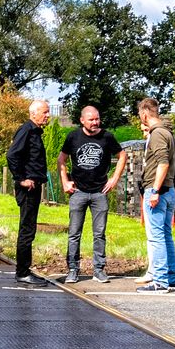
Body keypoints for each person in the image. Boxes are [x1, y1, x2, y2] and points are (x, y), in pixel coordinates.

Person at [58, 104, 126, 284]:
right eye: (91, 119)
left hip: (99, 193)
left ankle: (99, 270)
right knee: (74, 233)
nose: (95, 122)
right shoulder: (73, 137)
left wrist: (114, 179)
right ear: (82, 120)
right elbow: (61, 159)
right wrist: (65, 181)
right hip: (78, 192)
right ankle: (73, 270)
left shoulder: (107, 137)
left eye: (97, 119)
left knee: (99, 233)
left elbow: (122, 156)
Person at [134, 96, 175, 292]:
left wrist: (154, 191)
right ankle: (171, 278)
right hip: (168, 192)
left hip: (158, 193)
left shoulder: (157, 134)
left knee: (156, 237)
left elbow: (163, 163)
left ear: (145, 114)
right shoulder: (168, 133)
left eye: (140, 115)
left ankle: (160, 281)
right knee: (166, 236)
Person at [7, 99, 54, 287]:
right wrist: (21, 179)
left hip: (34, 186)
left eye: (48, 112)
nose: (48, 115)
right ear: (33, 113)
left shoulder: (34, 131)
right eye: (45, 112)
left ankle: (24, 270)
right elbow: (12, 155)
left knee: (29, 229)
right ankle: (23, 272)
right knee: (27, 230)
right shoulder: (26, 130)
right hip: (28, 188)